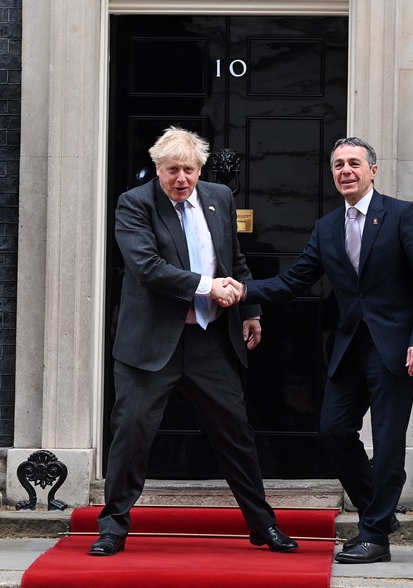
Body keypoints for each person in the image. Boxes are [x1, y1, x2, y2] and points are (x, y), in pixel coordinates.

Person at [224, 137, 413, 563]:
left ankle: (375, 536)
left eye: (354, 164)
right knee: (333, 431)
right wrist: (244, 289)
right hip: (348, 349)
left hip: (396, 349)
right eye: (339, 165)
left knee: (387, 442)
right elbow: (295, 281)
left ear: (372, 171)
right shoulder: (327, 227)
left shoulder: (401, 216)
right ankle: (377, 512)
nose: (346, 171)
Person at [90, 127, 298, 556]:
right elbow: (147, 267)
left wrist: (251, 310)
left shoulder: (219, 198)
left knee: (236, 433)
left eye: (188, 170)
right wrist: (209, 287)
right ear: (157, 169)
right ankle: (113, 528)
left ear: (200, 169)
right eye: (171, 171)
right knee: (131, 433)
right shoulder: (135, 204)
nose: (181, 179)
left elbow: (235, 261)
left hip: (209, 339)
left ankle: (262, 525)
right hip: (150, 343)